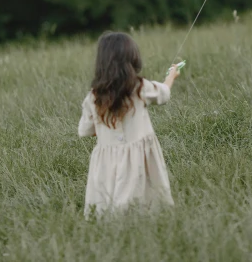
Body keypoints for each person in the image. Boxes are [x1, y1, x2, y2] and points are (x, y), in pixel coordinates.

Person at [77, 31, 182, 216]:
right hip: (137, 156)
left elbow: (85, 130)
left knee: (108, 199)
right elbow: (164, 93)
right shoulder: (140, 88)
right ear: (132, 60)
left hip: (107, 159)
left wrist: (104, 129)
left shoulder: (93, 97)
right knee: (144, 200)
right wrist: (171, 76)